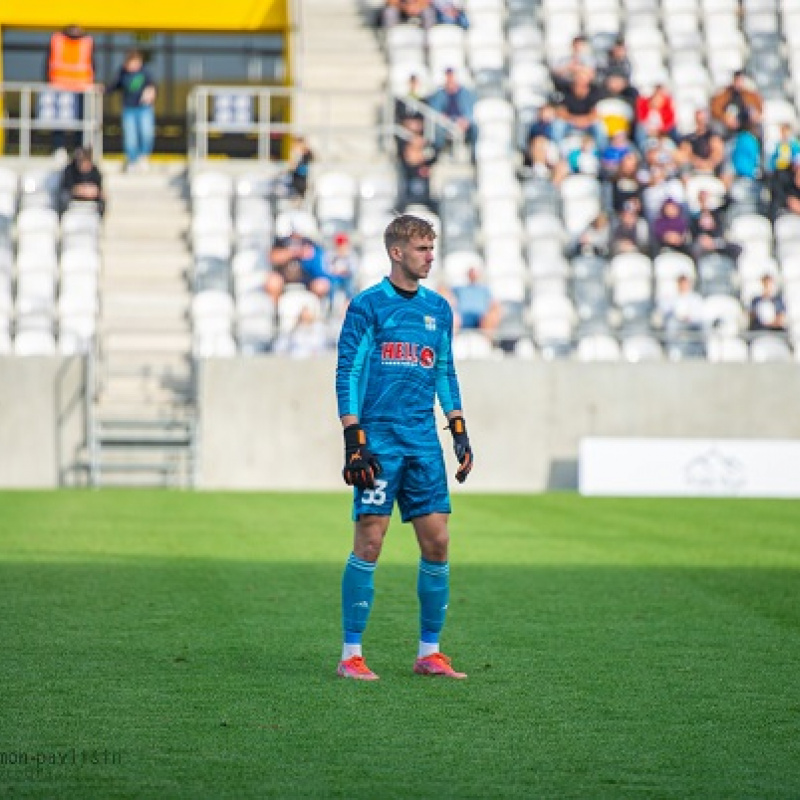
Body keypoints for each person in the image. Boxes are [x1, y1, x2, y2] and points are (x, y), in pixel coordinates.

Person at [335, 214, 473, 681]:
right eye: (421, 249)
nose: (430, 256)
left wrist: (458, 429)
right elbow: (348, 372)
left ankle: (429, 653)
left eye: (432, 249)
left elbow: (444, 372)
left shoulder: (439, 309)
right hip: (380, 443)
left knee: (438, 543)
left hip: (423, 445)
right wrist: (354, 438)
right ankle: (350, 655)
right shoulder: (368, 305)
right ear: (397, 252)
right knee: (370, 540)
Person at [47, 25, 95, 156]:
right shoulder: (57, 40)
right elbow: (49, 63)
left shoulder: (86, 42)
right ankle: (58, 149)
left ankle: (78, 149)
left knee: (80, 120)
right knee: (59, 121)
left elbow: (91, 64)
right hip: (60, 87)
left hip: (81, 88)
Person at [106, 50, 156, 172]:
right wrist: (103, 89)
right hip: (129, 109)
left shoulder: (145, 73)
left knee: (146, 133)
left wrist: (151, 92)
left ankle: (143, 157)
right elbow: (114, 86)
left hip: (144, 109)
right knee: (130, 137)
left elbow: (153, 86)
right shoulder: (122, 73)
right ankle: (132, 161)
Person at [267, 227, 330, 303]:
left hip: (306, 279)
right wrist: (294, 253)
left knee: (321, 286)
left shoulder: (311, 242)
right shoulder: (281, 241)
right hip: (284, 278)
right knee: (273, 282)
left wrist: (310, 256)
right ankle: (276, 312)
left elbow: (320, 264)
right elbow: (273, 258)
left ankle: (315, 309)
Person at [551, 67, 606, 149]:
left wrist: (584, 120)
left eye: (583, 77)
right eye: (578, 77)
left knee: (599, 127)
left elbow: (595, 113)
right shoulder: (565, 90)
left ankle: (602, 153)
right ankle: (557, 151)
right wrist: (575, 120)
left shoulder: (595, 91)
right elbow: (561, 112)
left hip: (587, 122)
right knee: (558, 125)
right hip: (569, 121)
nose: (580, 80)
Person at [426, 68, 477, 151]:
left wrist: (465, 120)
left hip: (461, 121)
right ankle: (438, 152)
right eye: (448, 77)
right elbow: (435, 109)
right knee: (438, 129)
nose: (450, 79)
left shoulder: (465, 93)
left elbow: (470, 110)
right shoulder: (439, 94)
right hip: (446, 122)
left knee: (474, 129)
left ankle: (473, 155)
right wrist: (442, 117)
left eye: (452, 76)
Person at [710, 70, 763, 139]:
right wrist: (725, 118)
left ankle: (758, 148)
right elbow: (715, 108)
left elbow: (759, 108)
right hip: (728, 123)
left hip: (746, 123)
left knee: (759, 127)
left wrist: (754, 115)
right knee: (717, 128)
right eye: (737, 81)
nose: (739, 83)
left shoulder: (750, 95)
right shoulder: (724, 94)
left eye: (741, 81)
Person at [450, 266, 501, 334]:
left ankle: (488, 342)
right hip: (462, 317)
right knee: (452, 317)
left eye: (475, 273)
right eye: (471, 272)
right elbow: (445, 292)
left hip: (481, 318)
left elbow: (493, 303)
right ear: (468, 274)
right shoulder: (459, 288)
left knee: (491, 317)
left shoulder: (485, 289)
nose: (473, 275)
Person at [58, 146, 105, 216]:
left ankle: (99, 220)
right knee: (64, 197)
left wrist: (95, 191)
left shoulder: (95, 170)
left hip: (91, 196)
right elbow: (67, 186)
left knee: (103, 200)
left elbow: (99, 187)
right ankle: (62, 218)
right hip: (72, 196)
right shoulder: (70, 169)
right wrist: (81, 190)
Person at [679, 109, 726, 175]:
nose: (700, 123)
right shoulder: (689, 137)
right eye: (699, 120)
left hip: (711, 169)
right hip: (693, 169)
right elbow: (685, 152)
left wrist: (708, 164)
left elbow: (718, 153)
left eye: (702, 120)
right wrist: (697, 162)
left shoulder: (713, 136)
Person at [398, 132, 438, 210]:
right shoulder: (402, 168)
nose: (419, 154)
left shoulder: (431, 168)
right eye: (414, 150)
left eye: (420, 150)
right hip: (406, 207)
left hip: (427, 207)